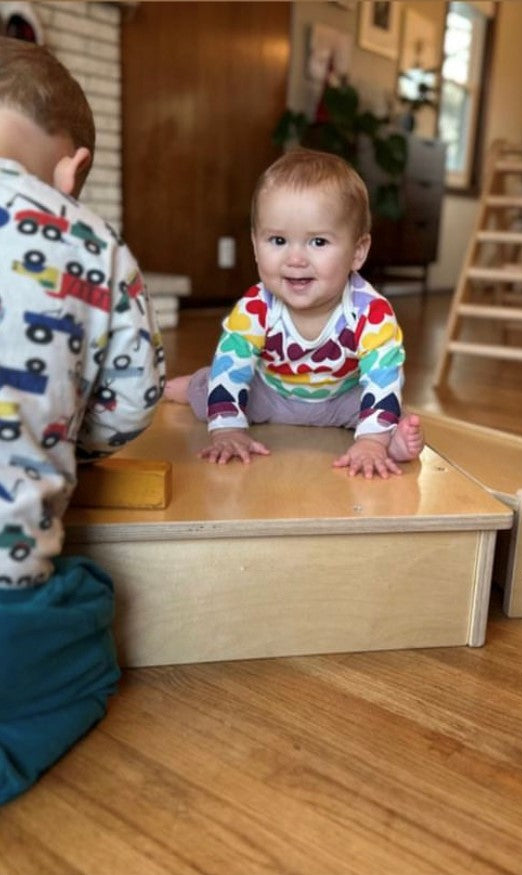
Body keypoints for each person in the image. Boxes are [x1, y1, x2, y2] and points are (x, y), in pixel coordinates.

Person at [0, 37, 165, 804]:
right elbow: (129, 407)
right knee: (93, 622)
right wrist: (66, 436)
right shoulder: (88, 243)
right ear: (72, 171)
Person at [165, 147, 424, 478]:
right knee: (215, 384)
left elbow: (382, 375)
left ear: (357, 252)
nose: (295, 259)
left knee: (388, 409)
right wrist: (227, 430)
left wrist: (373, 442)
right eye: (277, 240)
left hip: (340, 399)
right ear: (255, 245)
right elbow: (234, 363)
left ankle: (393, 443)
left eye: (317, 242)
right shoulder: (257, 307)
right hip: (271, 394)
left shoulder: (369, 312)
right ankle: (188, 386)